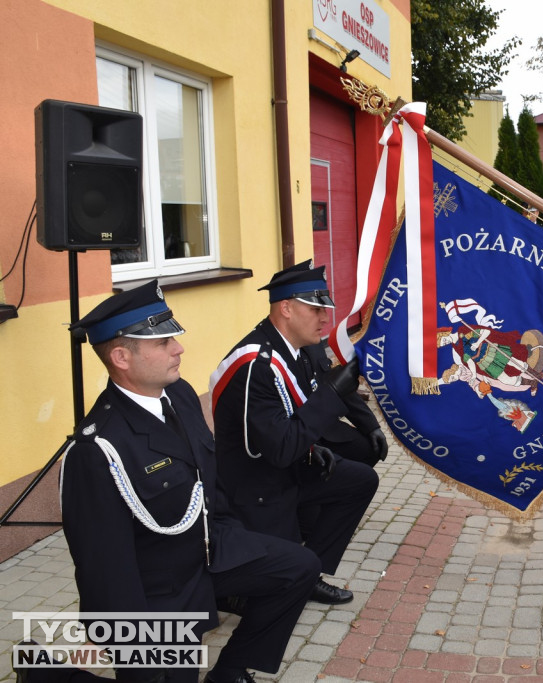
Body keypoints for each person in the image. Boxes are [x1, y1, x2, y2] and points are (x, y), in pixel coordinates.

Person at [52, 281, 320, 683]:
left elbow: (208, 481)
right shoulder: (98, 449)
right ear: (122, 357)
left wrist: (237, 534)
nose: (179, 349)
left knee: (299, 567)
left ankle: (229, 672)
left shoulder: (177, 395)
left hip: (209, 550)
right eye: (162, 343)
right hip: (159, 590)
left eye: (173, 338)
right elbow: (106, 572)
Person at [210, 260, 383, 606]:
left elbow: (295, 414)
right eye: (316, 309)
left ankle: (309, 572)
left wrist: (318, 442)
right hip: (254, 483)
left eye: (326, 309)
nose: (325, 318)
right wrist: (331, 398)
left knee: (361, 479)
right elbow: (278, 449)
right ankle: (277, 580)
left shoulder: (303, 347)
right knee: (266, 597)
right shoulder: (256, 364)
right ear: (286, 308)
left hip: (285, 463)